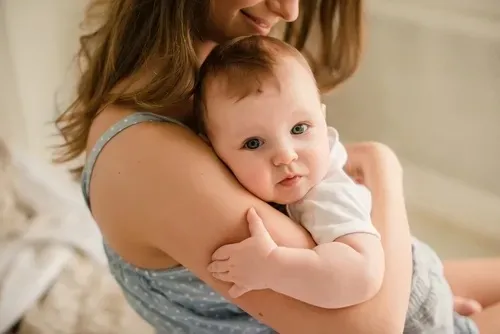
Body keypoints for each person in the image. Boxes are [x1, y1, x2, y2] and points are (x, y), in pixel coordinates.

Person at [53, 1, 500, 333]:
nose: (288, 10)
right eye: (253, 143)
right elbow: (373, 326)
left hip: (411, 282)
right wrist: (385, 171)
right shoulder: (148, 152)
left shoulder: (204, 93)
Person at [193, 34, 483, 332]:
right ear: (213, 151)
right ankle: (451, 305)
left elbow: (362, 274)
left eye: (299, 128)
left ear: (322, 118)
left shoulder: (325, 196)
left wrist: (272, 266)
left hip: (413, 306)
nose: (285, 155)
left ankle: (449, 314)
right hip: (415, 273)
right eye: (254, 143)